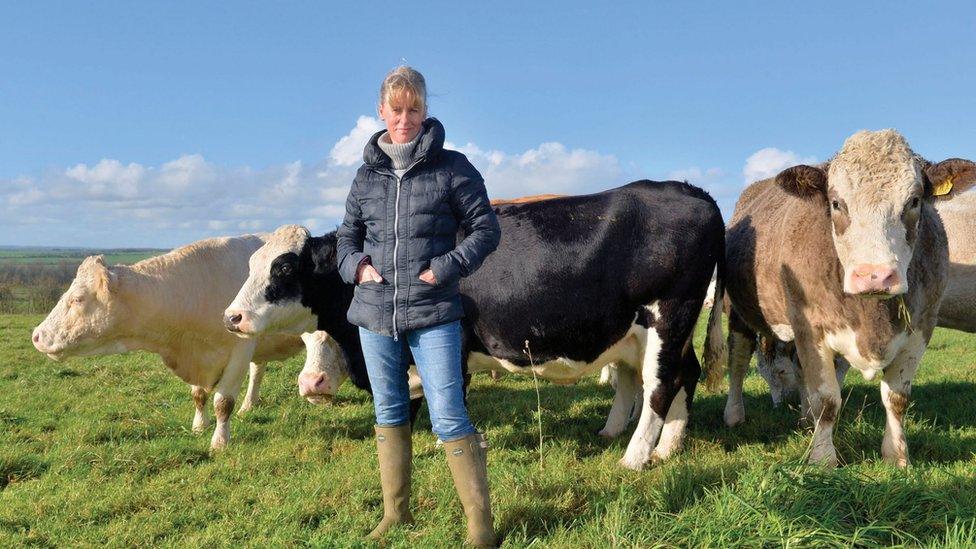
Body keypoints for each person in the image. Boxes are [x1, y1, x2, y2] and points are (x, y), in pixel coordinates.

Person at [336, 66, 501, 546]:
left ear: (424, 111)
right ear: (382, 112)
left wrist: (448, 266)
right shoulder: (365, 177)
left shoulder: (453, 168)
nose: (404, 119)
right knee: (389, 412)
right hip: (373, 315)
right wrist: (358, 268)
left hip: (433, 313)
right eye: (396, 110)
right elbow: (346, 239)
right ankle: (396, 515)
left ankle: (480, 528)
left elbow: (486, 229)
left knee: (448, 413)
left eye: (413, 110)